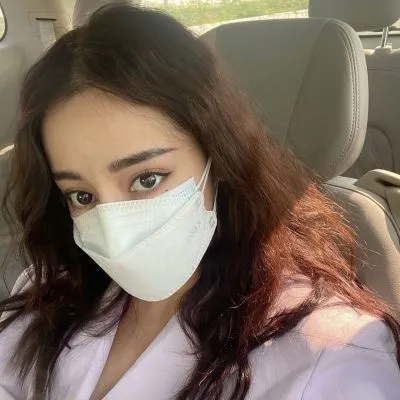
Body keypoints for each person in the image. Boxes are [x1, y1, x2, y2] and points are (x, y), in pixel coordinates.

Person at [0, 3, 399, 400]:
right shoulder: (47, 294)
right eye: (82, 195)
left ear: (218, 157)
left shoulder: (329, 361)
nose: (113, 230)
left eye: (147, 179)